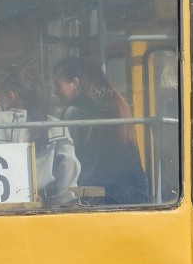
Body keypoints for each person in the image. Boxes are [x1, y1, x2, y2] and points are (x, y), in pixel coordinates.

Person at [54, 56, 146, 205]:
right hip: (134, 196)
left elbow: (70, 163)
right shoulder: (114, 105)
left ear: (75, 83)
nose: (55, 92)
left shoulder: (73, 114)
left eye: (58, 85)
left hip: (104, 198)